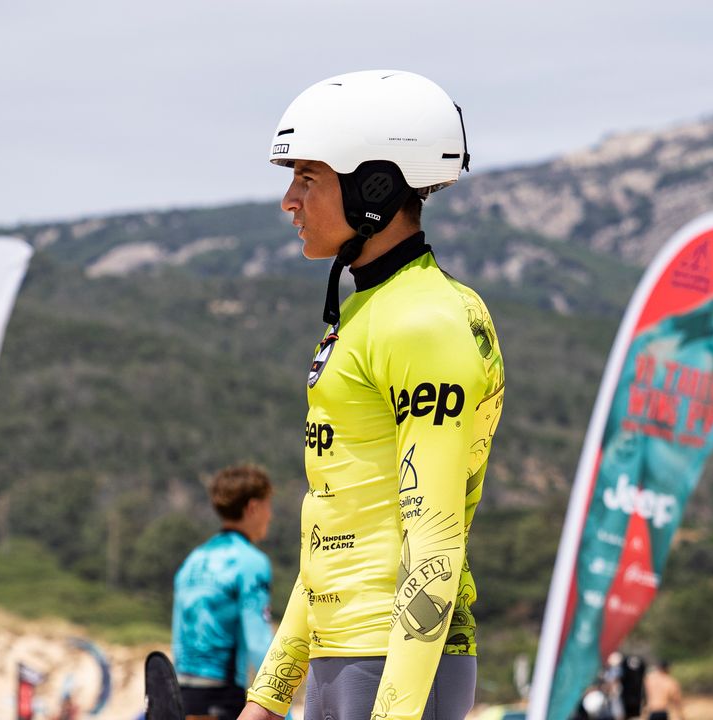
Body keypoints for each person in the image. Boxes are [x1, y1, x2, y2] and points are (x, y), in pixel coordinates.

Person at [240, 70, 506, 720]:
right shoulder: (365, 314)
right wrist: (268, 699)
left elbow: (435, 541)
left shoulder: (426, 320)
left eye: (308, 177)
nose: (288, 201)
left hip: (400, 661)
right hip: (343, 656)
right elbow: (334, 524)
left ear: (374, 187)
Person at [172, 464, 276, 720]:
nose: (270, 515)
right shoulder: (251, 562)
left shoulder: (193, 560)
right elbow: (258, 642)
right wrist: (278, 707)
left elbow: (178, 633)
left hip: (183, 693)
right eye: (267, 506)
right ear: (253, 507)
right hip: (222, 695)